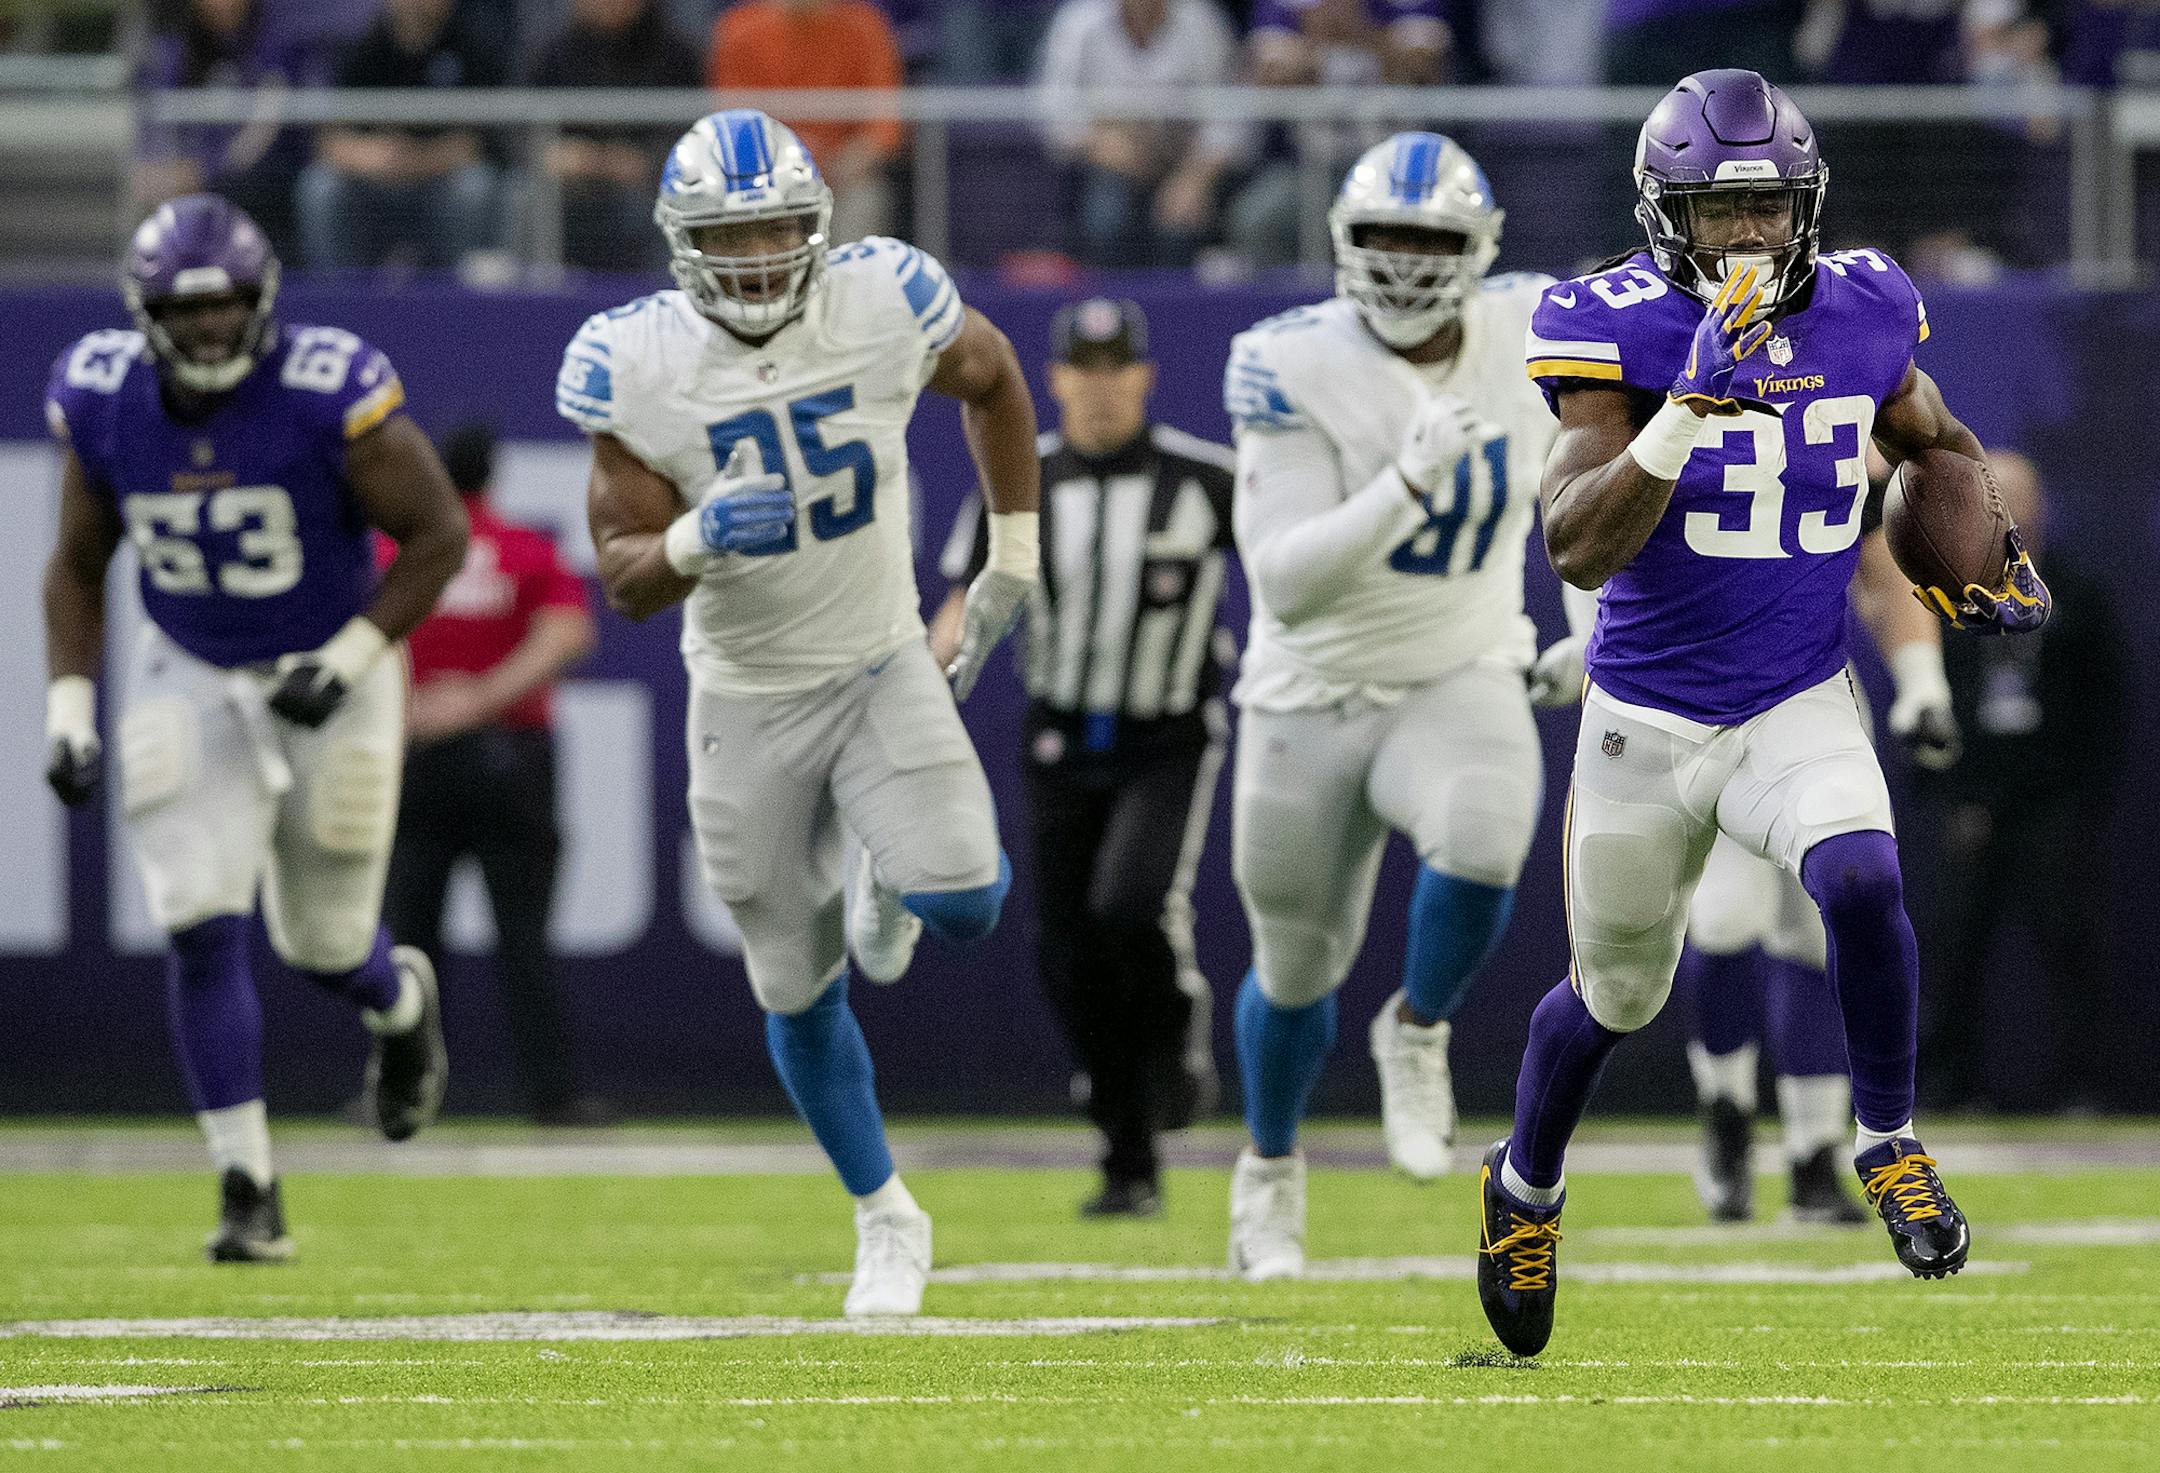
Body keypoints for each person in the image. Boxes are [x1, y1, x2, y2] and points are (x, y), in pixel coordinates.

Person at [1484, 69, 2052, 1358]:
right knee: (1617, 994)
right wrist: (1683, 407)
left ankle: (1887, 1142)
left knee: (1861, 875)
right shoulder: (1612, 327)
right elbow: (1576, 546)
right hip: (1646, 718)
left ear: (1807, 205)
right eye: (1717, 210)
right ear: (1663, 214)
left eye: (1769, 207)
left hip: (1794, 693)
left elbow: (1934, 440)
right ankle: (1524, 1187)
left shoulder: (1866, 305)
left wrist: (1980, 540)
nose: (1748, 233)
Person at [560, 109, 1040, 1317]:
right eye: (732, 235)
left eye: (778, 226)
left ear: (819, 224)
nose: (761, 253)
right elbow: (623, 577)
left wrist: (1015, 548)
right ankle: (886, 1215)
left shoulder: (883, 297)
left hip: (879, 661)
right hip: (747, 696)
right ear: (684, 244)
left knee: (966, 900)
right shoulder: (635, 361)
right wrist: (693, 537)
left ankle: (888, 874)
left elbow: (993, 379)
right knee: (793, 983)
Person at [40, 195, 467, 1262]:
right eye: (185, 310)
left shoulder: (326, 388)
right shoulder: (101, 396)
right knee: (197, 916)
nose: (209, 326)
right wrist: (68, 709)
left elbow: (438, 535)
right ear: (146, 316)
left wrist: (349, 658)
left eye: (225, 303)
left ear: (263, 298)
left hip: (333, 666)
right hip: (188, 665)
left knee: (323, 942)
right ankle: (247, 1185)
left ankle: (396, 1003)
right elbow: (78, 565)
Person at [1219, 132, 1592, 1280]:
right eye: (1384, 235)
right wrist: (1408, 481)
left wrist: (1592, 628)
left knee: (1485, 838)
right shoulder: (1286, 359)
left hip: (1458, 663)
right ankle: (1269, 1169)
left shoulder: (1536, 327)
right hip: (1309, 689)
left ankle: (1419, 1029)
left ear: (1479, 247)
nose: (1403, 259)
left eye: (1429, 239)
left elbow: (1593, 483)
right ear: (1343, 239)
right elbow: (1285, 579)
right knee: (1295, 966)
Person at [934, 298, 1235, 1219]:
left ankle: (1174, 1025)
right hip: (1058, 737)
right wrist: (921, 689)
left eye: (1117, 368)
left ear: (1144, 375)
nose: (1101, 387)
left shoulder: (1206, 478)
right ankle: (1125, 1150)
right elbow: (962, 605)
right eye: (1084, 369)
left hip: (1166, 735)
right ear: (1056, 379)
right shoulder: (1021, 477)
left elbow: (1295, 573)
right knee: (1067, 950)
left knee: (1128, 905)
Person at [1676, 531, 1956, 1225]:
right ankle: (1726, 1108)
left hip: (1816, 701)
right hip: (1703, 699)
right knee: (1726, 918)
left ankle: (1815, 1150)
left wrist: (1923, 680)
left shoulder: (1840, 455)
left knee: (1818, 933)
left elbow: (1882, 558)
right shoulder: (1672, 453)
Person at [380, 422, 609, 1126]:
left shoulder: (396, 553)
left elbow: (353, 635)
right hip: (509, 757)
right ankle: (555, 1096)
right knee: (525, 939)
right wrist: (483, 698)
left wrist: (412, 705)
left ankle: (401, 1090)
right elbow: (569, 632)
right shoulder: (525, 549)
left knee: (408, 942)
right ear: (491, 476)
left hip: (415, 756)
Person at [1913, 450, 2125, 1111]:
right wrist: (1954, 794)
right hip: (1975, 800)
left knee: (2068, 940)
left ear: (2041, 505)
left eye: (2016, 495)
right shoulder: (1945, 596)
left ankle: (2082, 1087)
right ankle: (1950, 1088)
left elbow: (2106, 708)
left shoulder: (2079, 596)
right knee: (1957, 944)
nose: (2005, 509)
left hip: (2053, 799)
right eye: (1993, 495)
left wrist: (2082, 797)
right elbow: (1928, 699)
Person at [1037, 0, 1250, 268]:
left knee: (1181, 227)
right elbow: (1053, 113)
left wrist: (1194, 178)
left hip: (1184, 163)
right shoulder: (1079, 20)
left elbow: (1229, 117)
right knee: (1107, 218)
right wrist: (1100, 144)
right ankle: (1109, 294)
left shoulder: (1201, 22)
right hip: (1110, 166)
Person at [297, 0, 507, 271]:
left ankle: (460, 290)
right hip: (372, 184)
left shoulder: (473, 47)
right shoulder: (362, 46)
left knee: (474, 186)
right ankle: (335, 292)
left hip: (440, 184)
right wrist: (374, 157)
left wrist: (415, 161)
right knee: (320, 186)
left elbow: (477, 145)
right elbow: (330, 142)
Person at [133, 0, 325, 259]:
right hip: (197, 187)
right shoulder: (176, 53)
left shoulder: (279, 45)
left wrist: (204, 172)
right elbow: (155, 131)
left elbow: (263, 134)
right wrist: (165, 169)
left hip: (266, 183)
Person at [705, 0, 906, 244]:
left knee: (864, 202)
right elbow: (733, 126)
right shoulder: (739, 28)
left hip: (842, 178)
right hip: (766, 178)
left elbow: (885, 127)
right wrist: (787, 165)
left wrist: (845, 164)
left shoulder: (864, 26)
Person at [526, 0, 705, 272]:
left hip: (649, 189)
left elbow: (692, 138)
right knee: (529, 199)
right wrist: (553, 153)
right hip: (573, 188)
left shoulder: (677, 54)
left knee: (652, 213)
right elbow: (519, 127)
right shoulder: (553, 51)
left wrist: (650, 162)